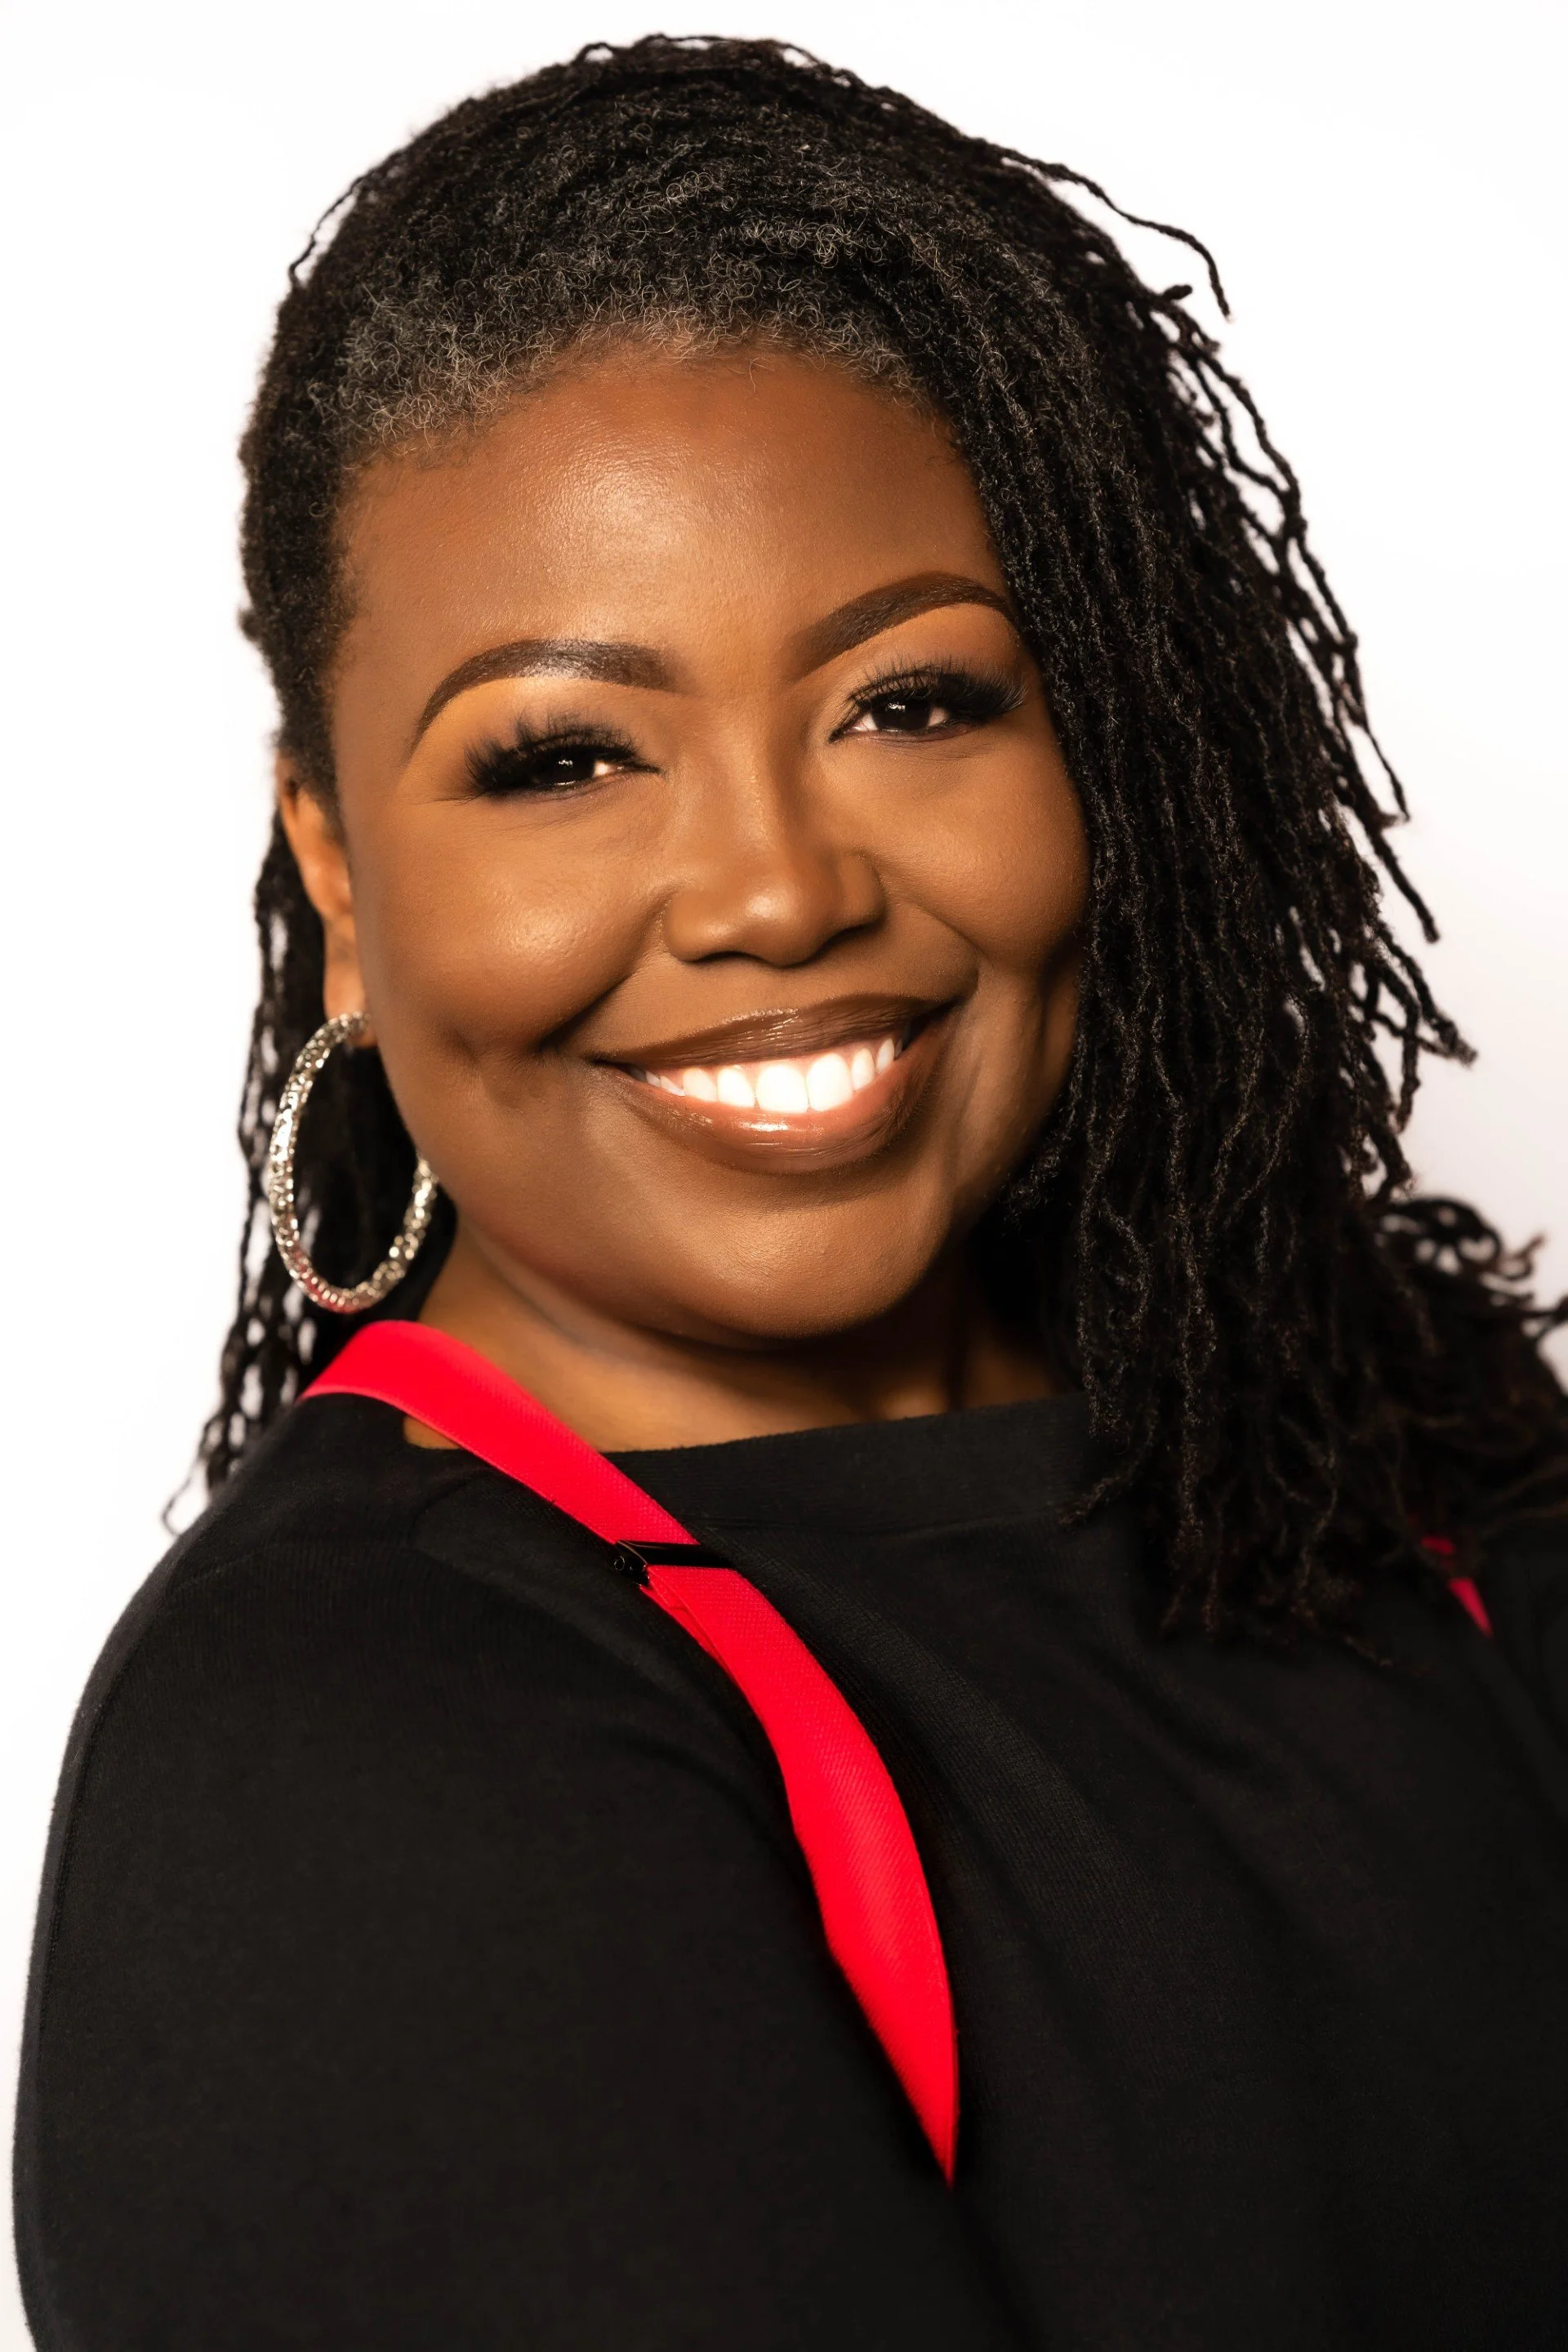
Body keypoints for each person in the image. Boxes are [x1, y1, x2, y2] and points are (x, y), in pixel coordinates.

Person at [16, 35, 1568, 2351]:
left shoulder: (1406, 1454)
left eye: (914, 704)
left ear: (1112, 733)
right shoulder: (354, 1770)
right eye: (564, 757)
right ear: (338, 869)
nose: (769, 891)